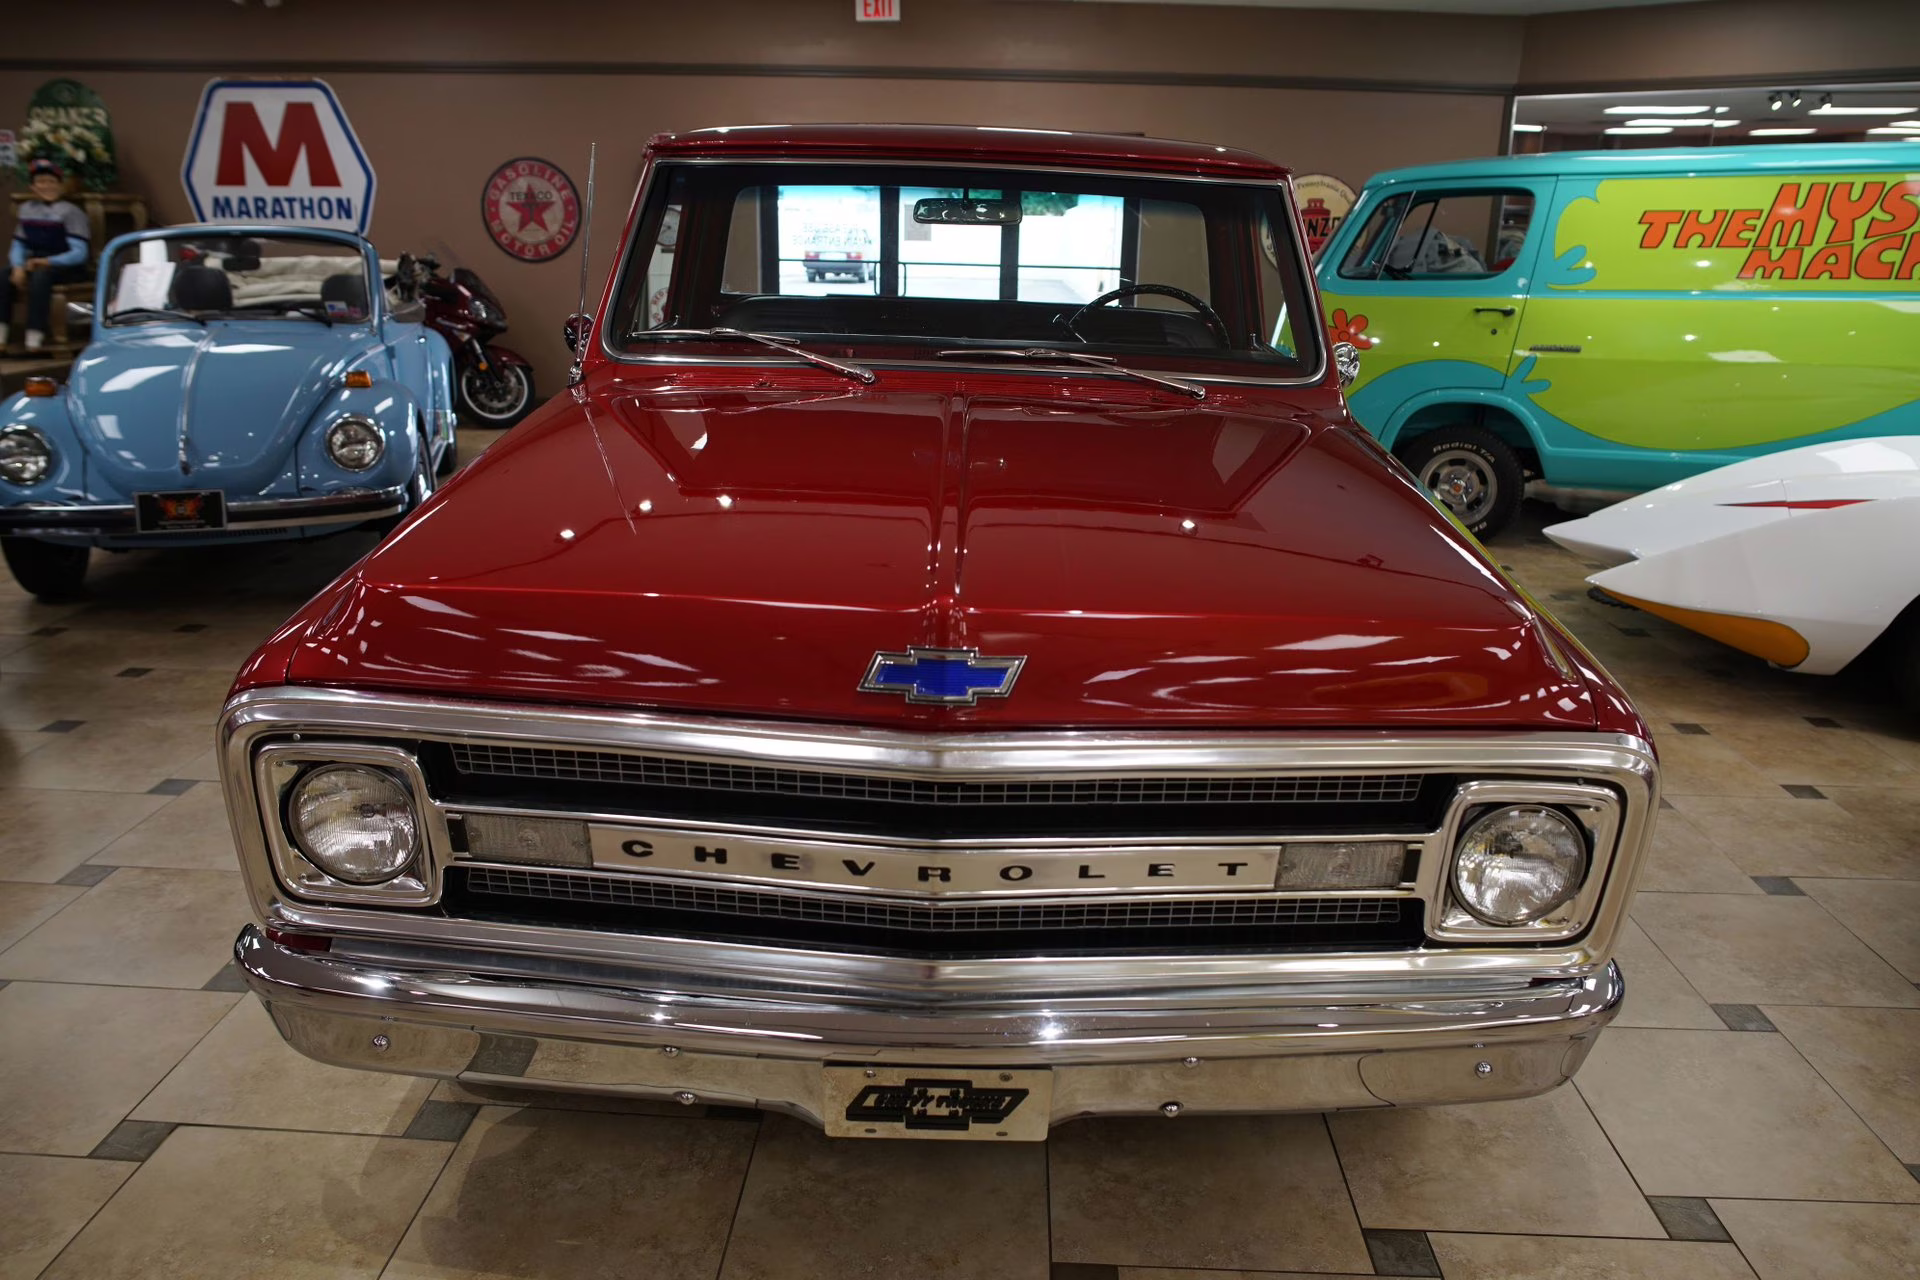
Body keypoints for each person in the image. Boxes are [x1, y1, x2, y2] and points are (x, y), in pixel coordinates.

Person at [2, 159, 91, 352]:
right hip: (34, 260)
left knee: (42, 277)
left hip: (66, 265)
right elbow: (19, 244)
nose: (47, 186)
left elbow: (79, 253)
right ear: (33, 186)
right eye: (41, 182)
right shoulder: (27, 210)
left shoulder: (71, 212)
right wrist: (17, 266)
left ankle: (35, 334)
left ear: (60, 185)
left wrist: (48, 261)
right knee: (4, 275)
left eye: (51, 182)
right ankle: (2, 332)